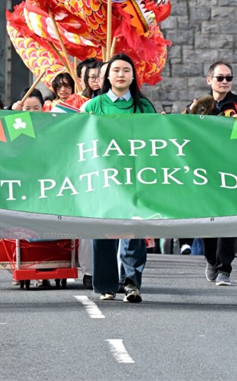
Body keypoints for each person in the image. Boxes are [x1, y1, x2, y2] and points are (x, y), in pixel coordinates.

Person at [87, 54, 155, 303]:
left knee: (134, 230)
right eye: (115, 70)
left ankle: (131, 282)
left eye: (126, 70)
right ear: (107, 76)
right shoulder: (93, 106)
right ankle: (106, 284)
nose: (121, 74)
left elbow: (156, 140)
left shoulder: (144, 107)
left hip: (136, 177)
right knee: (104, 231)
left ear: (134, 76)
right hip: (102, 177)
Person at [180, 61, 237, 286]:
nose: (224, 82)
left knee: (228, 219)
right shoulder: (198, 105)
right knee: (208, 219)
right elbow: (181, 130)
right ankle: (211, 259)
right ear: (209, 80)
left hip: (231, 170)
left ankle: (225, 269)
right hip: (205, 170)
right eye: (220, 78)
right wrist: (188, 114)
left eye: (228, 78)